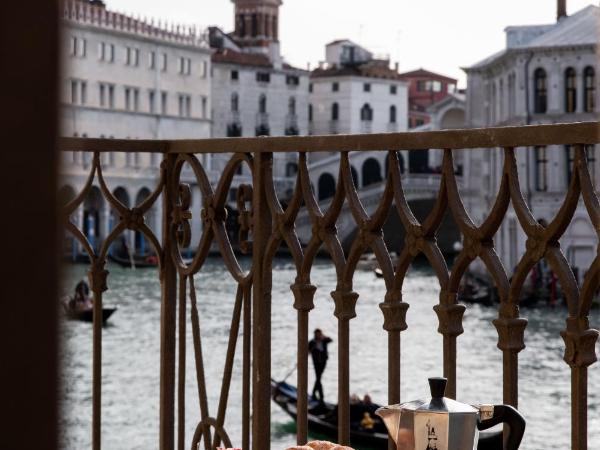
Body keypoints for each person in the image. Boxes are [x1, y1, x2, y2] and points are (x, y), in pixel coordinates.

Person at [308, 328, 332, 403]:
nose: (318, 335)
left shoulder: (324, 340)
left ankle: (315, 394)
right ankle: (320, 396)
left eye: (320, 334)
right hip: (316, 362)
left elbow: (330, 340)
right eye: (317, 334)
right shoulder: (312, 342)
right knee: (318, 378)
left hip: (323, 361)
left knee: (318, 378)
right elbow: (308, 350)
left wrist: (323, 337)